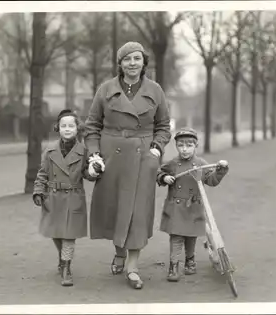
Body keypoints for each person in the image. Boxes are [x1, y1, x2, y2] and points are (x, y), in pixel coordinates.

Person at [84, 41, 171, 289]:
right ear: (120, 64)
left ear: (144, 62)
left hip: (144, 155)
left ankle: (132, 267)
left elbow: (164, 126)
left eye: (137, 58)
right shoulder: (105, 89)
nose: (132, 63)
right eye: (127, 59)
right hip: (112, 155)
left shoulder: (155, 90)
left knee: (138, 212)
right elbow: (92, 127)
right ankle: (119, 251)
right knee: (116, 208)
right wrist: (95, 155)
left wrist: (156, 148)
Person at [32, 109, 99, 287]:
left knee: (69, 235)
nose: (67, 129)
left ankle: (66, 268)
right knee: (57, 234)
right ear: (58, 128)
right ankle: (62, 259)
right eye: (63, 126)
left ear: (78, 129)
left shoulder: (83, 151)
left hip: (73, 197)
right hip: (53, 198)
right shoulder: (50, 150)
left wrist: (94, 171)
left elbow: (87, 174)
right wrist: (38, 191)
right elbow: (42, 173)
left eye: (71, 126)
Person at [156, 127, 229, 282]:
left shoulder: (201, 163)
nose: (184, 149)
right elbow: (159, 173)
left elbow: (212, 180)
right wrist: (165, 178)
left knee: (191, 237)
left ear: (195, 146)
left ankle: (190, 261)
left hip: (193, 208)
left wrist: (220, 171)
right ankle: (173, 266)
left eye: (189, 145)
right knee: (176, 238)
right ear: (176, 146)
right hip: (176, 208)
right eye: (181, 145)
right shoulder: (173, 164)